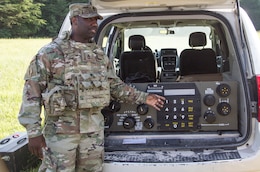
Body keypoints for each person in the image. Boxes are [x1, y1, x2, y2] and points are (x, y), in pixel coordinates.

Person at [18, 3, 165, 172]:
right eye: (88, 20)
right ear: (74, 20)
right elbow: (32, 92)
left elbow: (114, 86)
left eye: (96, 19)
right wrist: (33, 132)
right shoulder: (50, 53)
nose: (94, 23)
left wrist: (145, 97)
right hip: (61, 133)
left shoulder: (99, 55)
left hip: (93, 132)